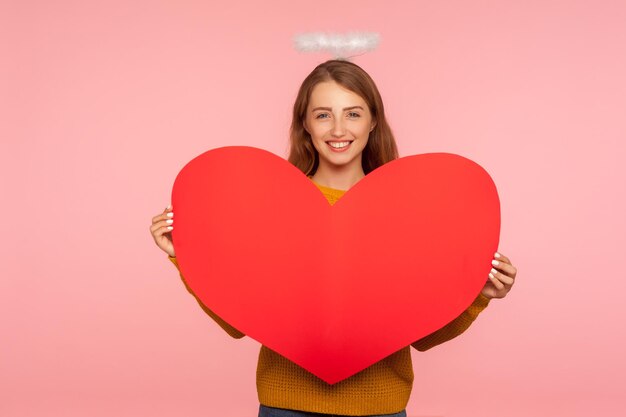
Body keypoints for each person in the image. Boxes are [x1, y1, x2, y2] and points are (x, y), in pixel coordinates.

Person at [150, 59, 518, 417]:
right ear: (305, 124)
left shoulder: (408, 213)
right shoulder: (271, 210)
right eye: (323, 114)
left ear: (374, 121)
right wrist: (184, 258)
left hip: (381, 410)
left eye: (353, 113)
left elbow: (422, 335)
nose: (338, 129)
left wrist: (476, 299)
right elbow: (235, 323)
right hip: (286, 408)